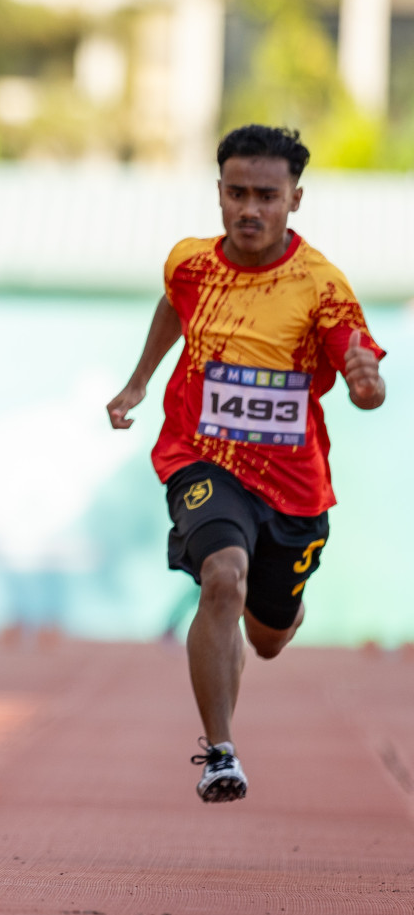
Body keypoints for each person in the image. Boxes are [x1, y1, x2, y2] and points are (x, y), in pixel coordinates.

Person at [107, 124, 385, 804]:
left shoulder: (320, 285)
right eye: (236, 193)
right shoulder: (190, 263)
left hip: (292, 487)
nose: (249, 209)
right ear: (220, 193)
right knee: (221, 578)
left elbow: (365, 378)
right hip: (201, 457)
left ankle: (280, 608)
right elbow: (174, 305)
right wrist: (141, 379)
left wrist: (364, 384)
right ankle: (221, 753)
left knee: (266, 637)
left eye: (267, 194)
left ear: (295, 199)